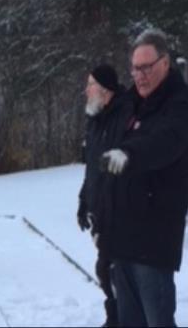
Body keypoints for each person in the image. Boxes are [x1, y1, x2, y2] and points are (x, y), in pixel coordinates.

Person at [100, 30, 188, 328]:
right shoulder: (131, 103)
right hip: (123, 238)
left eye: (146, 67)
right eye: (135, 68)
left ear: (165, 63)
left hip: (153, 241)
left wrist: (128, 154)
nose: (139, 75)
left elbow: (162, 142)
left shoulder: (179, 104)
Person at [77, 64, 128, 328]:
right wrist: (84, 201)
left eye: (90, 85)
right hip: (100, 210)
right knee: (105, 272)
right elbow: (92, 168)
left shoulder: (123, 115)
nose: (86, 91)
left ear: (105, 90)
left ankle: (122, 320)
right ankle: (114, 319)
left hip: (119, 213)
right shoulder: (95, 121)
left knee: (116, 273)